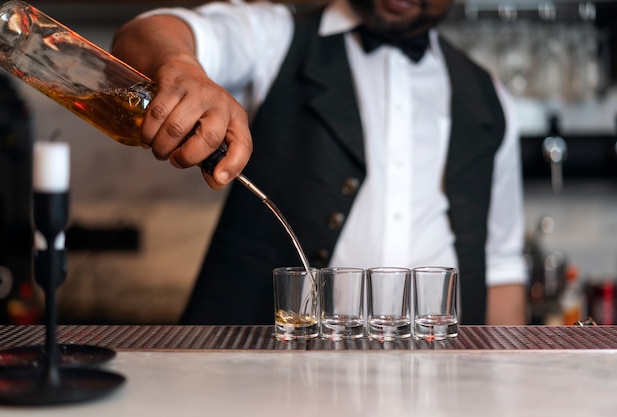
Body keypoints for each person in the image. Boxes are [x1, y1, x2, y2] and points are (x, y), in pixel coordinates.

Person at [111, 0, 528, 325]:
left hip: (437, 386)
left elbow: (503, 272)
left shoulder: (490, 98)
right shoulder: (276, 36)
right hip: (260, 379)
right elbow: (144, 33)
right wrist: (182, 68)